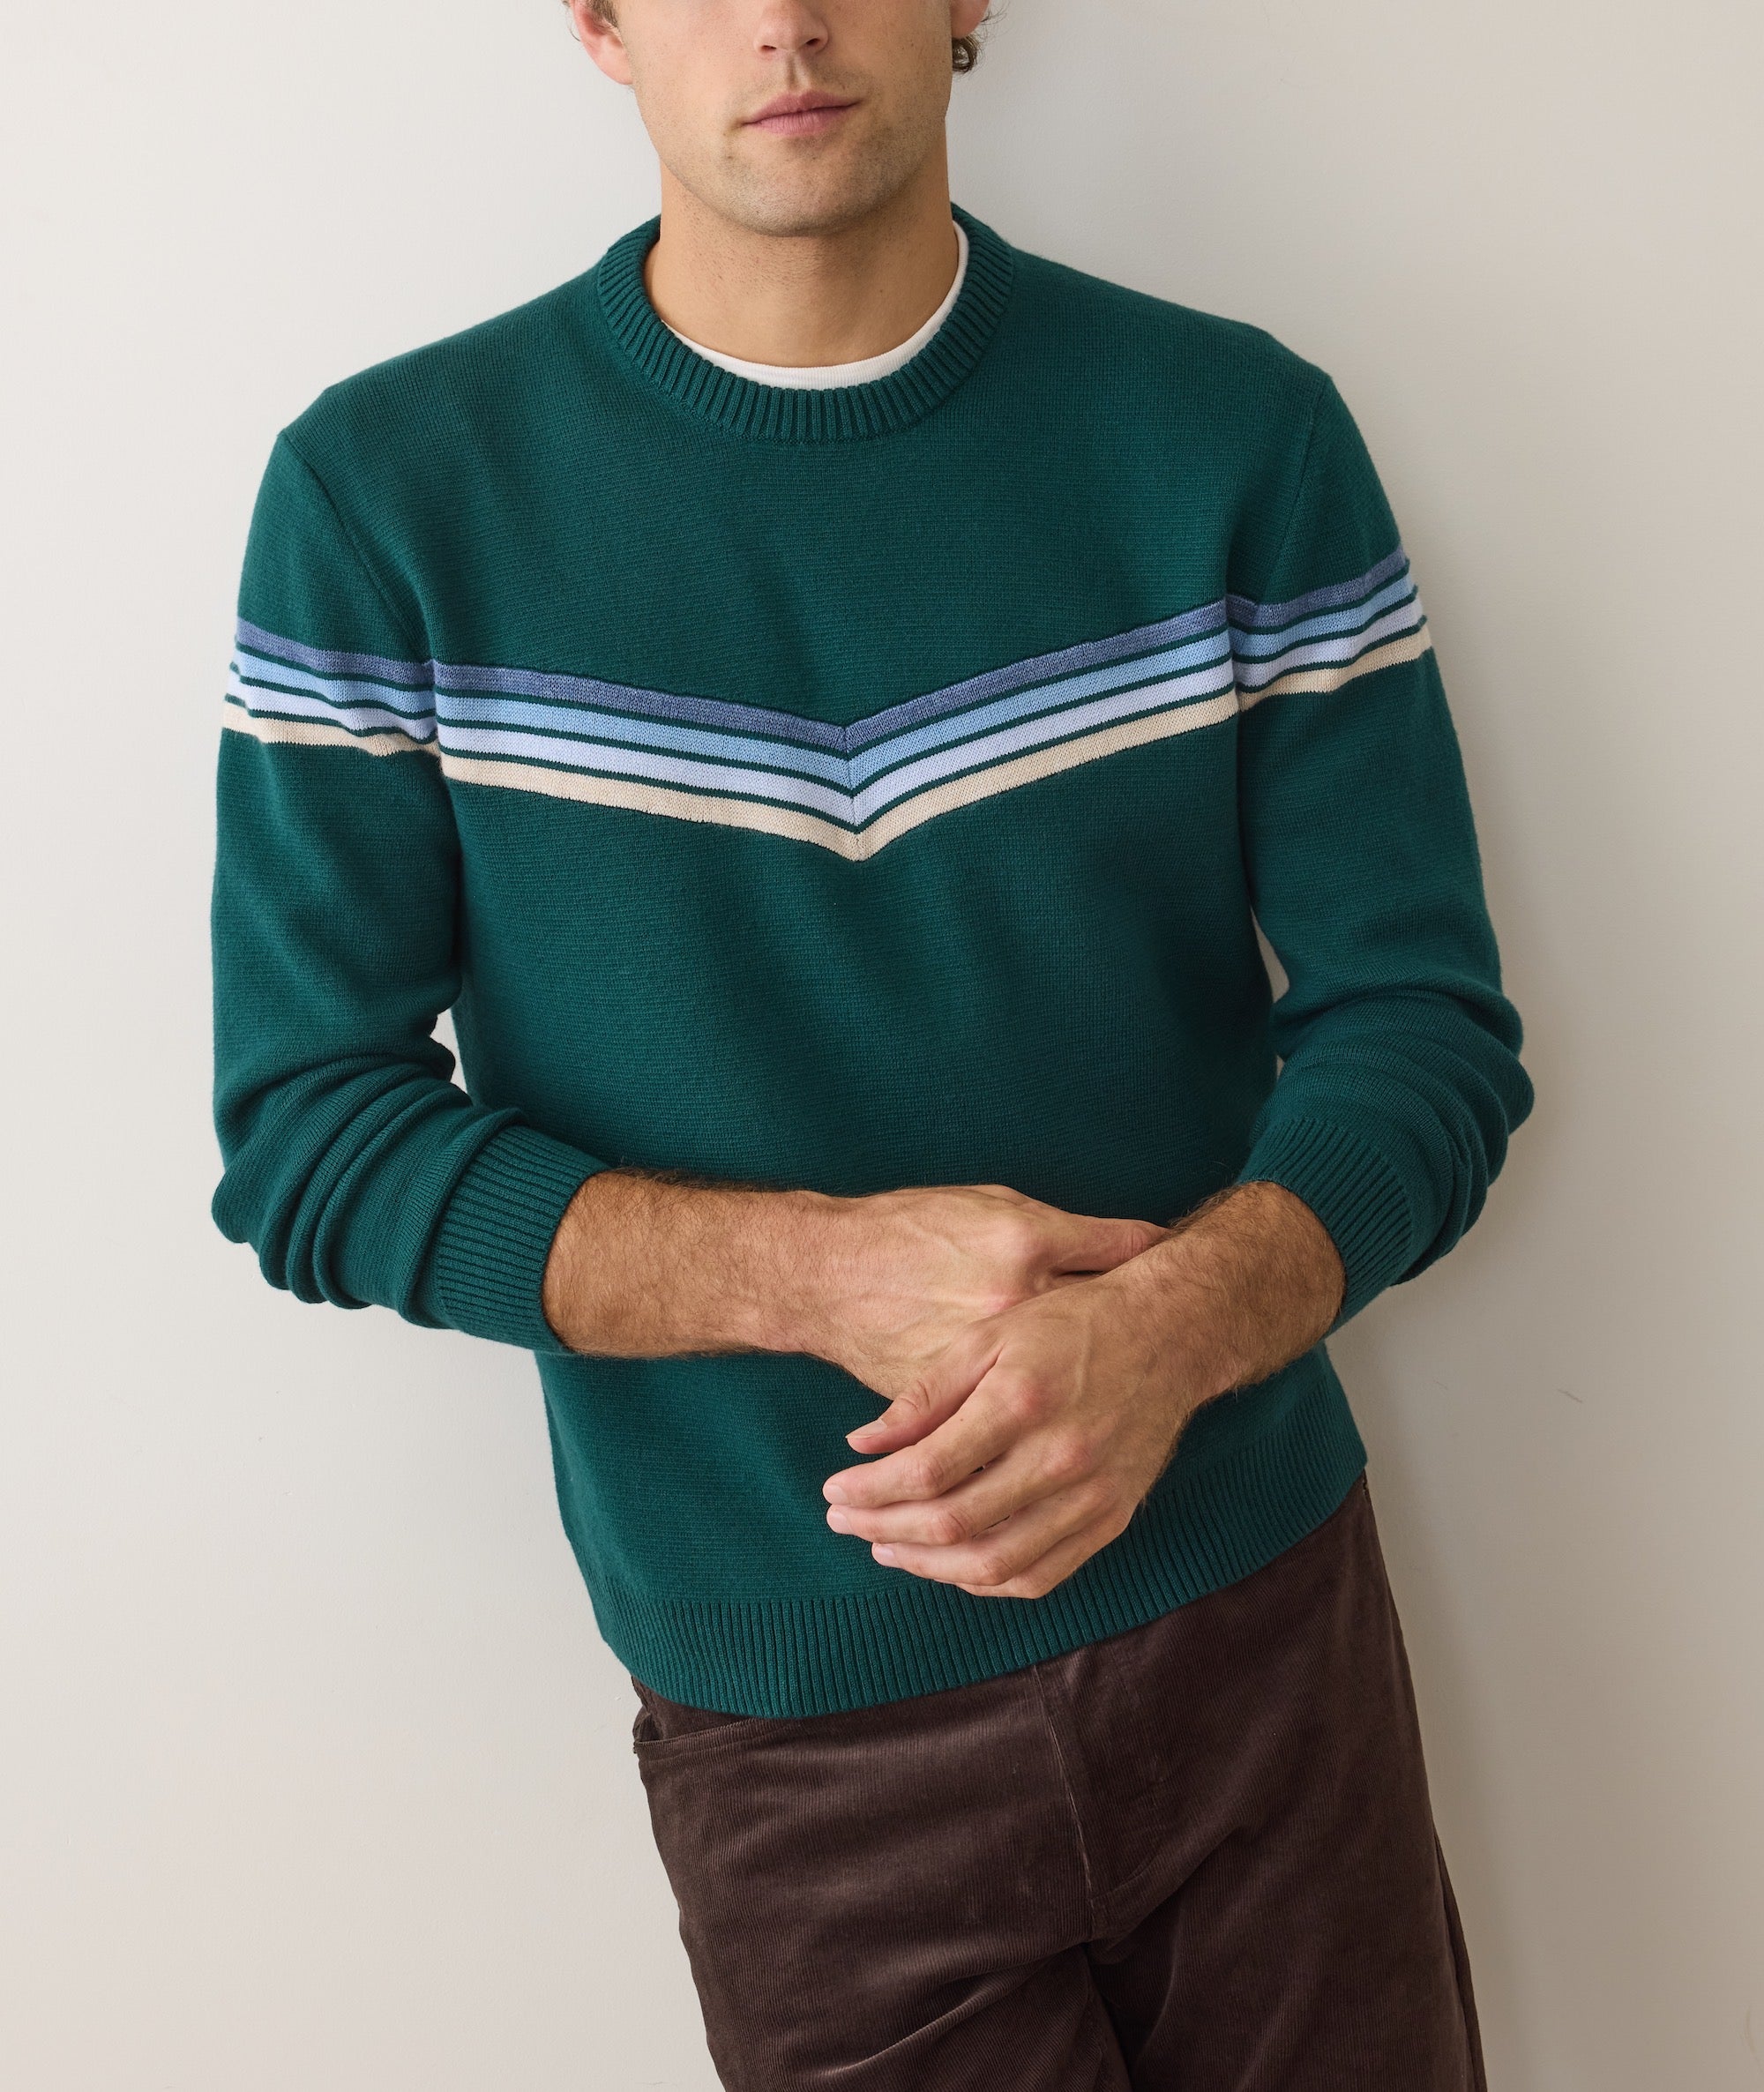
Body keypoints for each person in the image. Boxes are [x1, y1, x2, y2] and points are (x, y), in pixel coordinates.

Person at [210, 3, 1532, 2084]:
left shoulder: (1236, 434)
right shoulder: (384, 502)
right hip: (799, 1743)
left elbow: (1422, 1027)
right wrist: (816, 1273)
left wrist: (1170, 1332)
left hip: (1258, 1632)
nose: (785, 20)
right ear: (598, 22)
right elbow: (308, 1131)